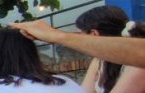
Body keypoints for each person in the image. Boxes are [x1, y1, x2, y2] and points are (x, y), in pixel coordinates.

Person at [10, 19, 145, 68]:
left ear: (94, 34)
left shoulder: (134, 65)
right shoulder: (99, 61)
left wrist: (56, 36)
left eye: (80, 33)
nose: (79, 38)